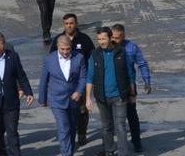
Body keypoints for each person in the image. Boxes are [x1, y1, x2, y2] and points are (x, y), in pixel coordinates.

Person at [85, 27, 137, 156]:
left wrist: (132, 93)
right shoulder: (95, 54)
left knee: (120, 126)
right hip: (101, 97)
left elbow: (130, 72)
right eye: (99, 39)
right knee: (106, 127)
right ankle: (109, 151)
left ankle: (123, 153)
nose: (101, 42)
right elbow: (90, 76)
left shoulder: (121, 52)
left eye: (103, 39)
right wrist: (88, 98)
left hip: (119, 96)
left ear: (110, 38)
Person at [49, 13, 95, 146]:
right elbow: (51, 60)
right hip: (63, 83)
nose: (69, 26)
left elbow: (92, 59)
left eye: (71, 23)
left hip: (81, 81)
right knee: (65, 111)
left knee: (82, 110)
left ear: (76, 23)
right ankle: (69, 135)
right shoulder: (58, 39)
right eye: (66, 24)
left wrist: (90, 78)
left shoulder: (84, 39)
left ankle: (81, 134)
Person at [39, 35, 87, 156]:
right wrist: (42, 98)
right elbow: (44, 79)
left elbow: (83, 77)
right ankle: (66, 153)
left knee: (72, 127)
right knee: (63, 127)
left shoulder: (79, 57)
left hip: (74, 99)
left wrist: (79, 91)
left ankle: (69, 150)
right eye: (62, 49)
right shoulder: (49, 59)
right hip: (57, 99)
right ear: (57, 47)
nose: (65, 52)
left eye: (68, 49)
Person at [111, 24, 152, 153]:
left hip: (129, 88)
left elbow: (142, 64)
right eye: (113, 37)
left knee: (131, 115)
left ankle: (136, 141)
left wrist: (147, 81)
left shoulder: (131, 47)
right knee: (111, 119)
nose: (114, 40)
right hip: (112, 87)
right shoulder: (107, 47)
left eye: (117, 38)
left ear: (123, 36)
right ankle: (109, 146)